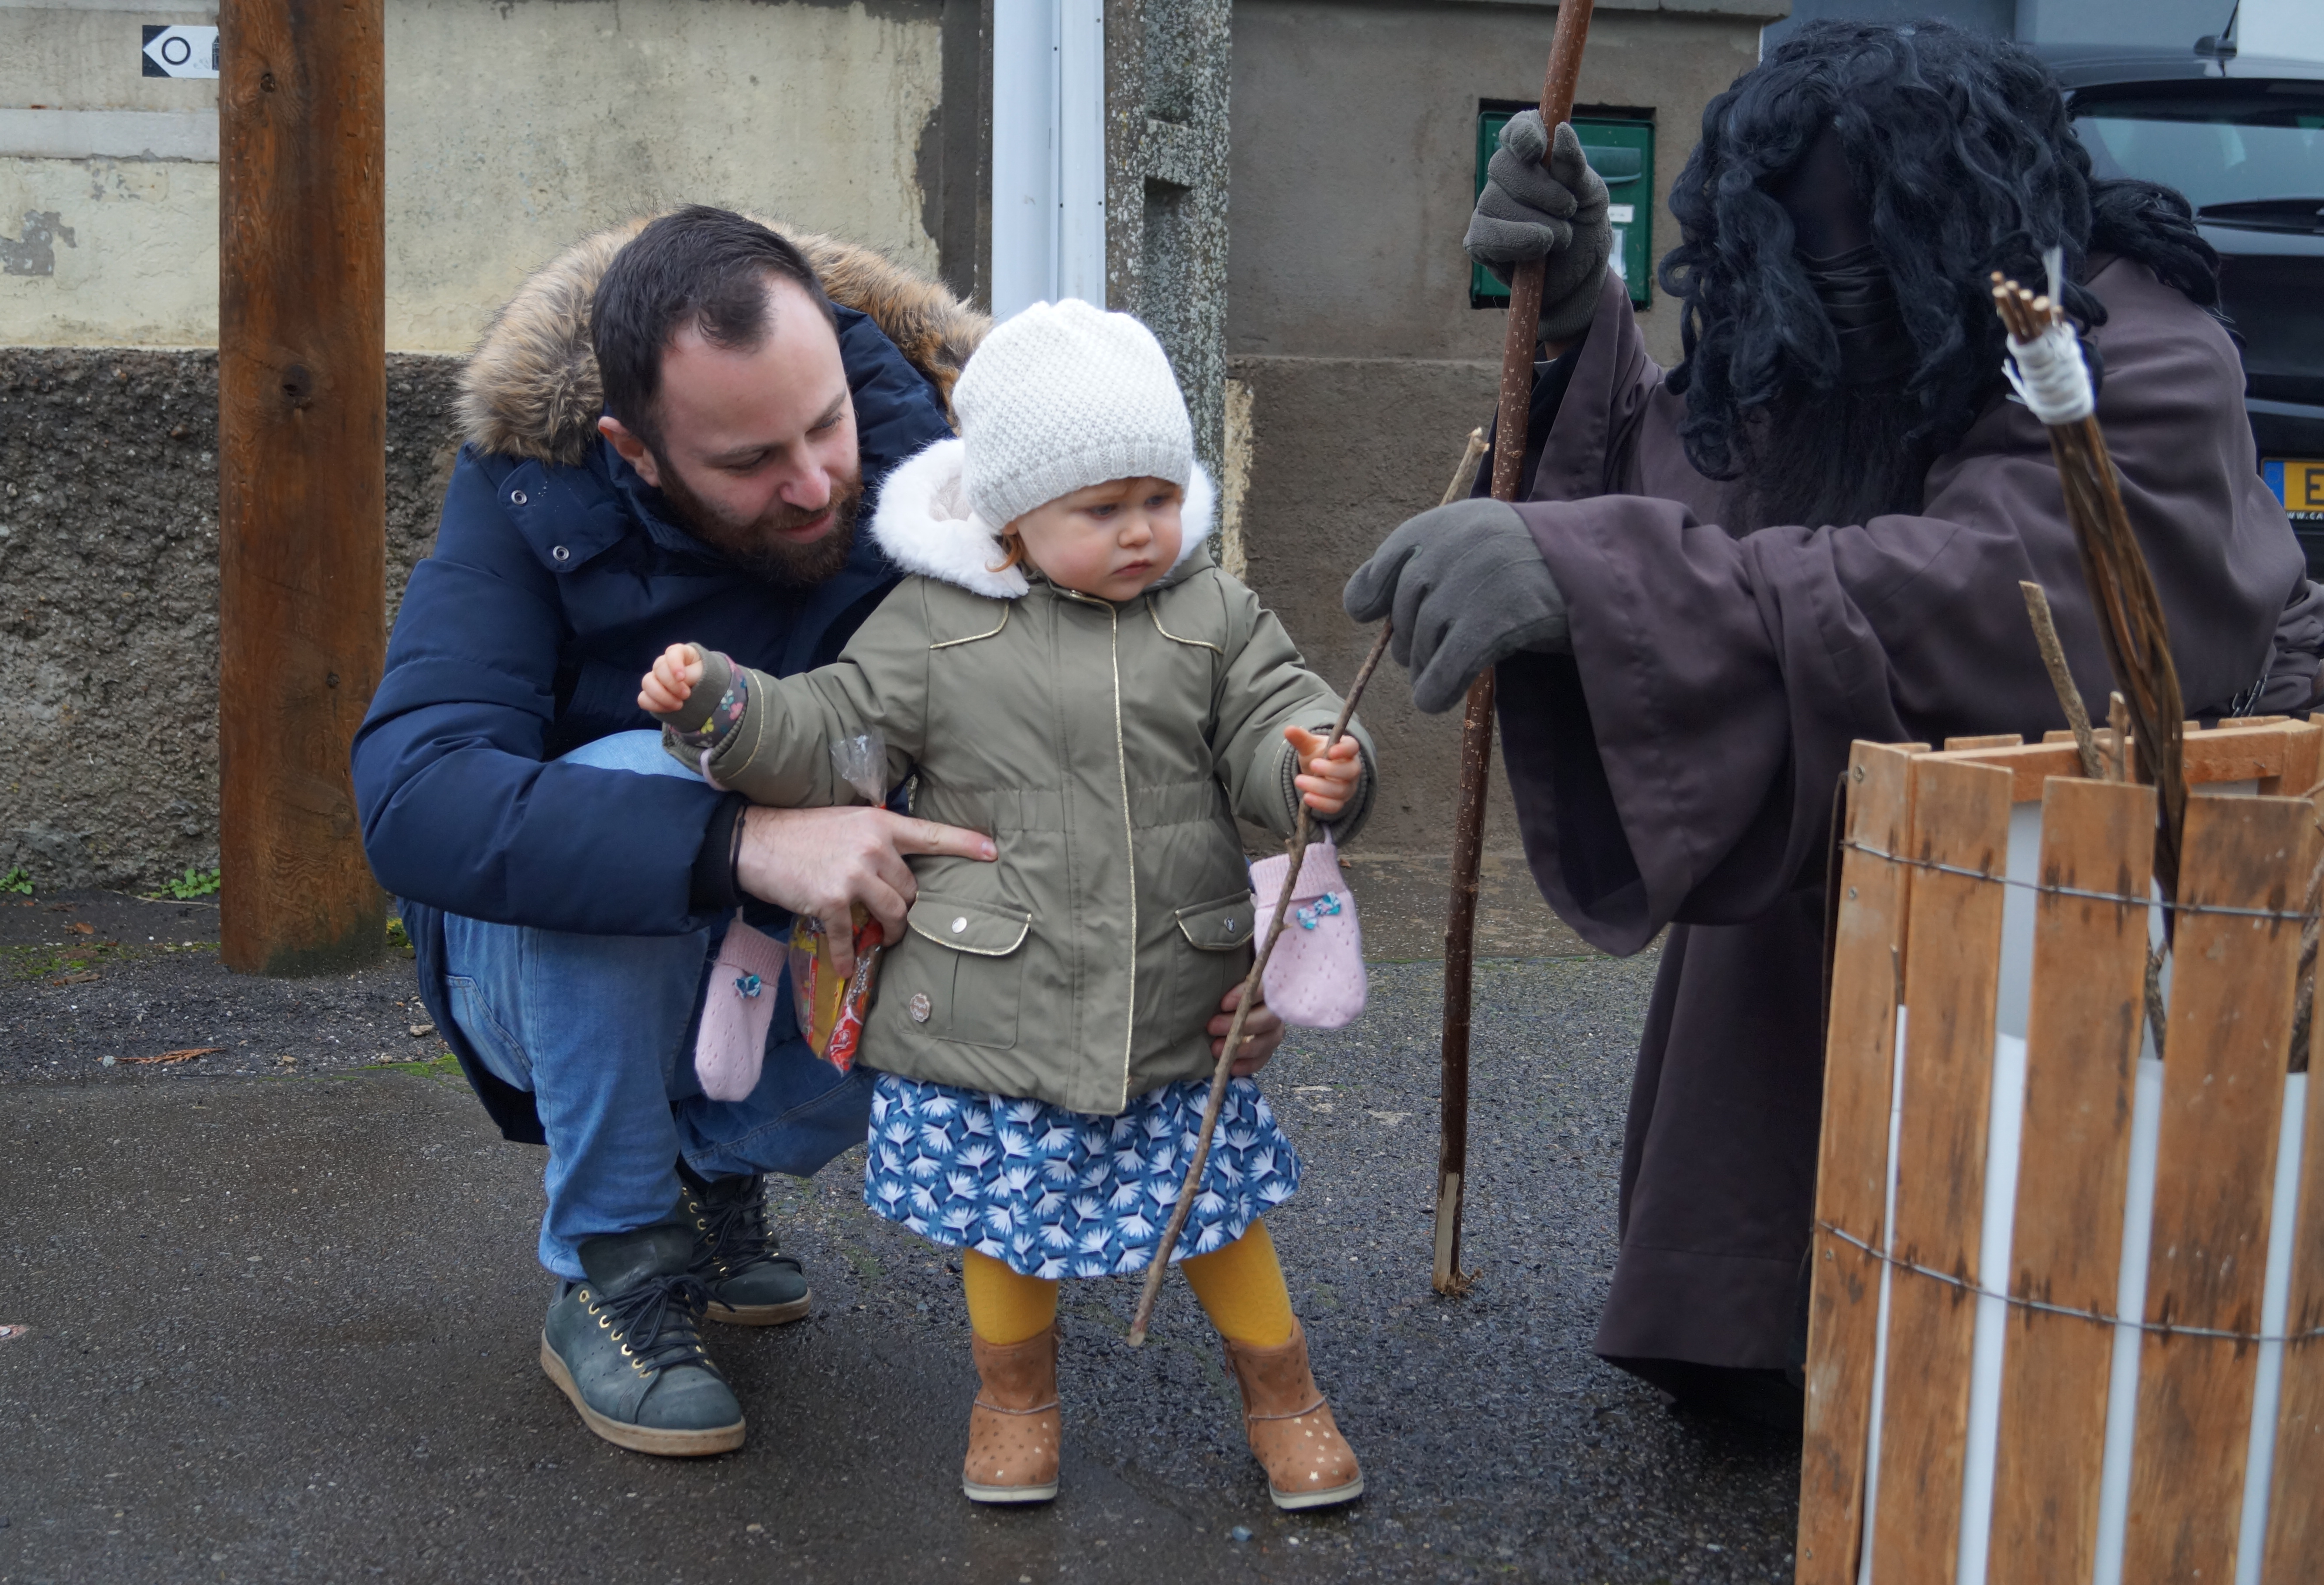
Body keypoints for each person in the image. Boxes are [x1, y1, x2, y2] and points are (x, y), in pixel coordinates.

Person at [1343, 21, 2324, 1429]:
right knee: (1796, 843)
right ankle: (1763, 1308)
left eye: (1846, 261)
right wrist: (1576, 322)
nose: (1818, 297)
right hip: (1863, 824)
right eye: (1787, 261)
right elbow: (1704, 480)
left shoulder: (2134, 342)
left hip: (2112, 834)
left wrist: (1596, 574)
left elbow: (2003, 594)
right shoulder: (1841, 336)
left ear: (1956, 216)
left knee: (2051, 1336)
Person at [352, 210, 1289, 1458]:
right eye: (749, 460)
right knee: (634, 775)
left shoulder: (967, 469)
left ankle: (706, 1170)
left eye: (827, 423)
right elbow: (414, 794)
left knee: (973, 852)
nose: (812, 483)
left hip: (811, 956)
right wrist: (737, 841)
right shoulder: (532, 490)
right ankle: (616, 1260)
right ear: (633, 450)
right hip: (553, 969)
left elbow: (1121, 741)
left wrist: (1203, 974)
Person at [635, 299, 1374, 1510]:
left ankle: (1286, 1396)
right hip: (993, 992)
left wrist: (1313, 769)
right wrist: (726, 708)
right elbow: (833, 731)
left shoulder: (1212, 613)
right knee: (1004, 1215)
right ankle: (1014, 1403)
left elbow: (1270, 719)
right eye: (1102, 508)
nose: (1142, 530)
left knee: (1216, 1206)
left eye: (1160, 496)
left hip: (1169, 993)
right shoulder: (934, 625)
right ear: (1014, 519)